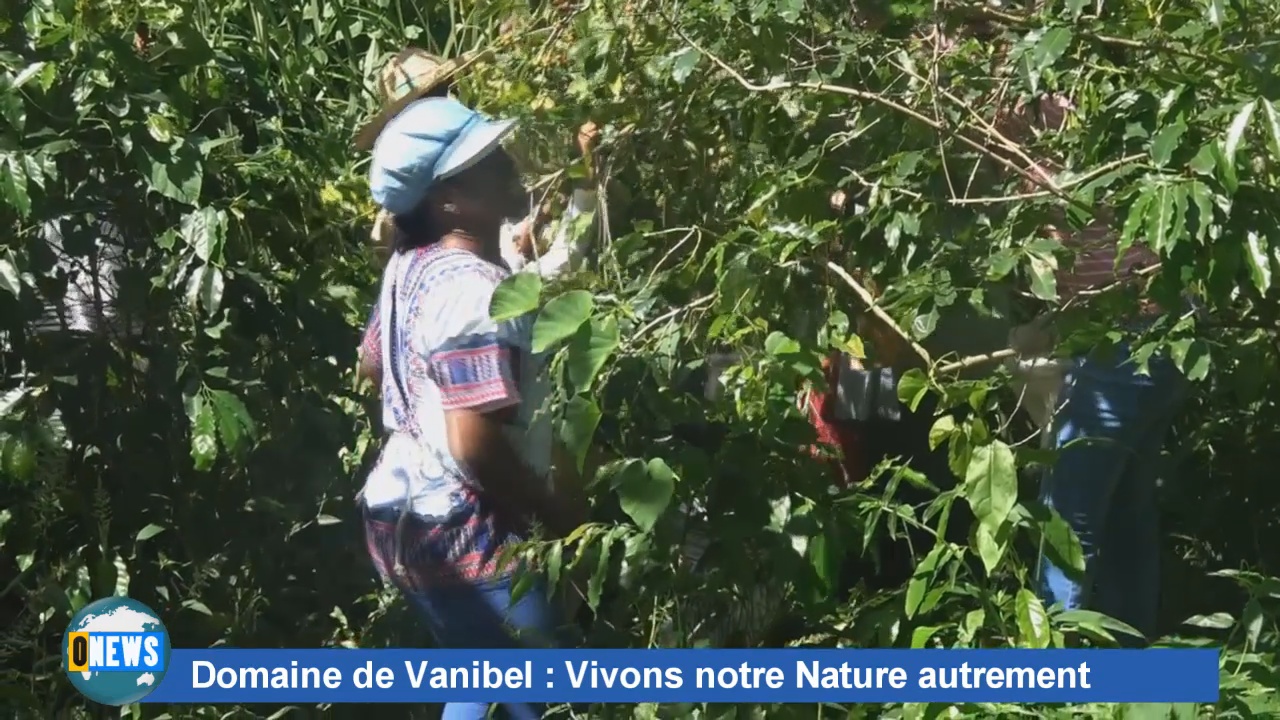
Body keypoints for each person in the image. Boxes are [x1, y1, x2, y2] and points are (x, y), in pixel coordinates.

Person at [358, 96, 582, 719]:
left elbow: (374, 359)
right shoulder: (473, 291)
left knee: (481, 683)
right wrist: (559, 516)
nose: (508, 166)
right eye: (486, 162)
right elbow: (474, 445)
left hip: (404, 515)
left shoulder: (411, 266)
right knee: (532, 695)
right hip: (470, 528)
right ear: (447, 201)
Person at [1001, 95, 1187, 642]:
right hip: (1169, 336)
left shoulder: (1061, 113)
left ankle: (1053, 678)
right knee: (1127, 513)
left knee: (1068, 525)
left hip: (1122, 342)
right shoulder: (1119, 100)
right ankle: (1129, 669)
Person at [352, 47, 601, 384]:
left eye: (445, 91)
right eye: (431, 98)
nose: (446, 101)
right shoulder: (468, 288)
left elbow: (374, 359)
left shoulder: (421, 251)